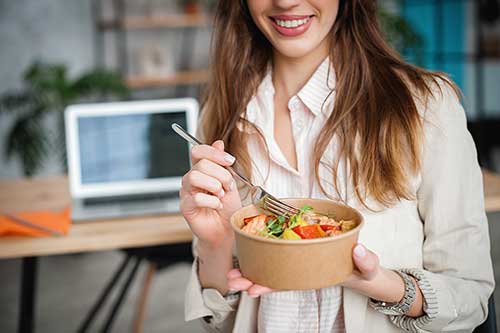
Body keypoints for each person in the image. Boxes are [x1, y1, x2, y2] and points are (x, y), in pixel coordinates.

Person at [181, 0, 495, 332]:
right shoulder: (219, 114)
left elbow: (470, 296)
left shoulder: (426, 108)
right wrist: (216, 244)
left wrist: (378, 283)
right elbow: (220, 322)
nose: (286, 2)